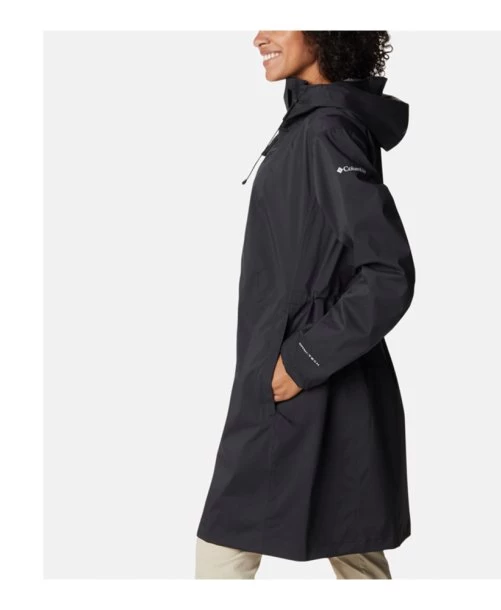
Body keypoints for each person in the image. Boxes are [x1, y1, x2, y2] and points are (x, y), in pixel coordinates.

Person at [195, 30, 416, 579]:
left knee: (225, 551)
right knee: (356, 551)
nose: (258, 36)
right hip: (306, 375)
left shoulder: (326, 131)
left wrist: (301, 361)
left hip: (307, 380)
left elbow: (388, 272)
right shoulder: (311, 124)